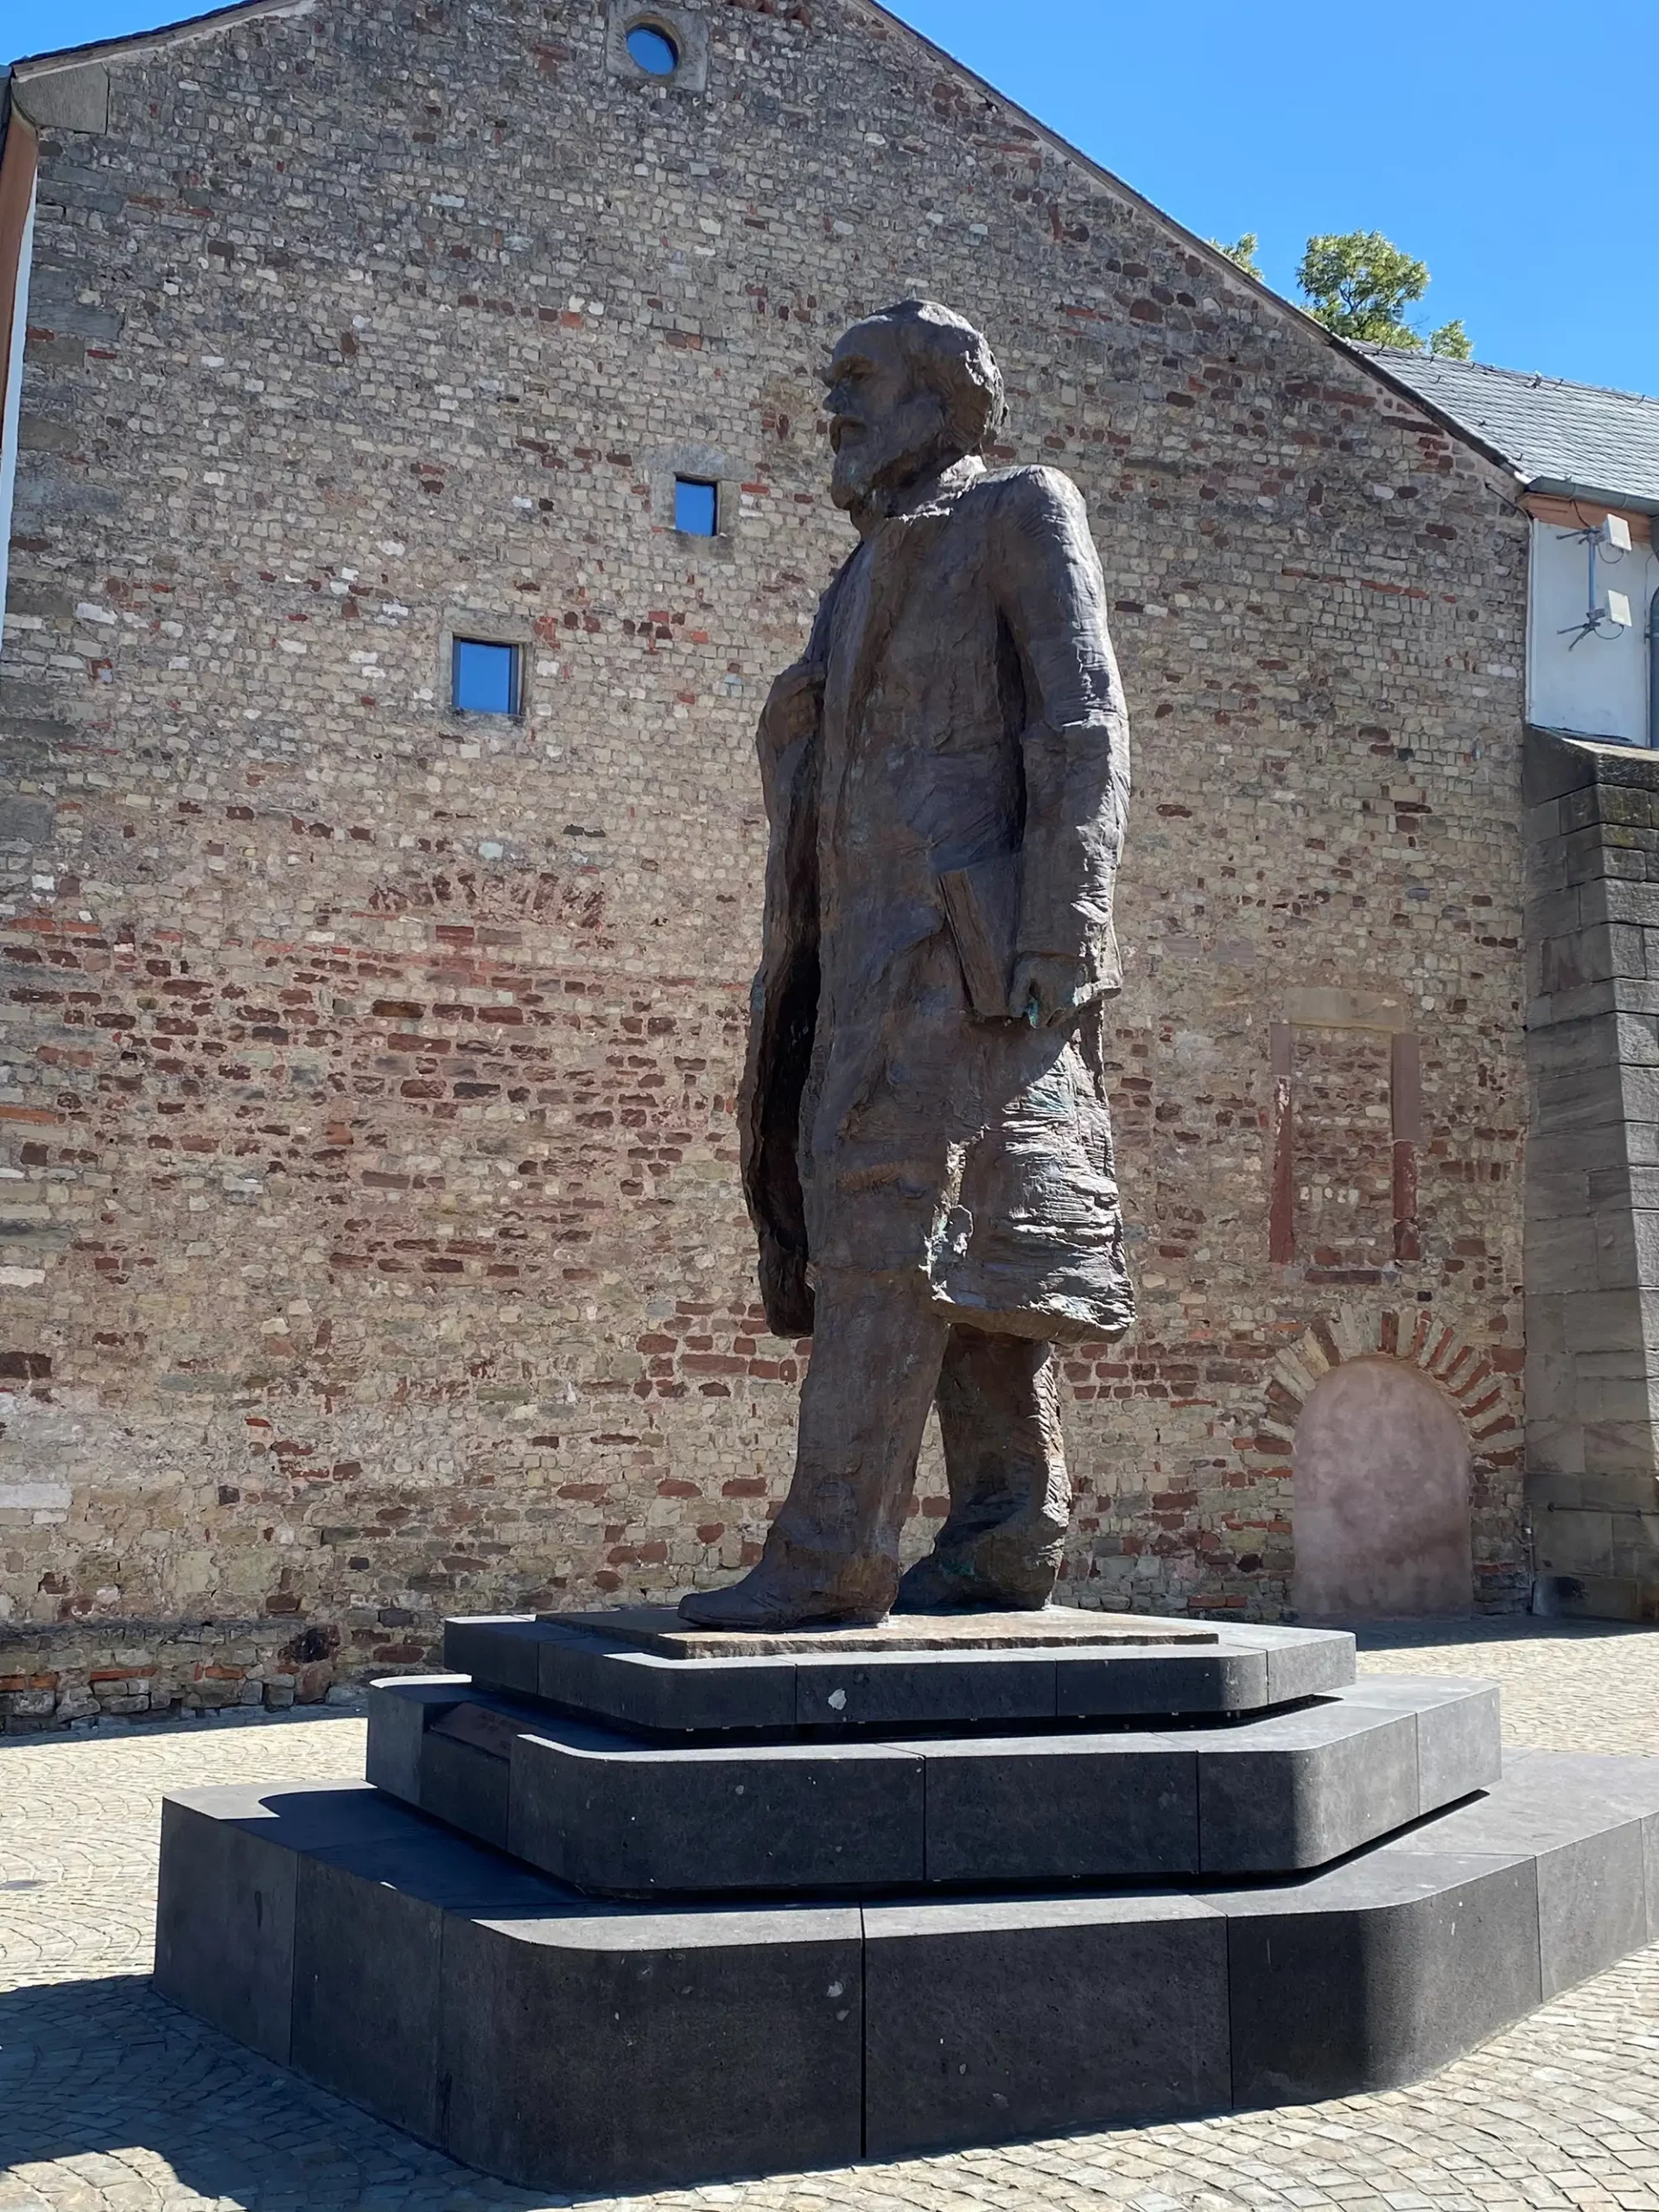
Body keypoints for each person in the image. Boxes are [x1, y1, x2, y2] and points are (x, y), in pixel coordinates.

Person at [679, 299, 1133, 1630]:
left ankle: (831, 1553)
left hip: (967, 947)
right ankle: (1006, 1533)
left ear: (947, 397)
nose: (837, 408)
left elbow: (1085, 722)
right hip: (854, 953)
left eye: (862, 381)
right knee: (949, 1242)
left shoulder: (1018, 511)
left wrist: (1064, 931)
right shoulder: (866, 563)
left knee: (891, 1226)